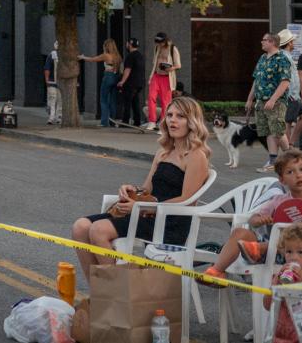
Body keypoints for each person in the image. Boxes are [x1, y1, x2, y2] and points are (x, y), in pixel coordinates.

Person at [70, 95, 212, 283]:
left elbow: (188, 201)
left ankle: (117, 295)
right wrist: (131, 190)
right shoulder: (163, 152)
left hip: (169, 222)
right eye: (169, 115)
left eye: (180, 116)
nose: (172, 120)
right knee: (80, 227)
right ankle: (100, 294)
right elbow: (147, 189)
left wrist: (145, 208)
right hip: (146, 214)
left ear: (192, 122)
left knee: (98, 230)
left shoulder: (196, 156)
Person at [203, 150, 302, 280]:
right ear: (282, 180)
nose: (298, 175)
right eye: (290, 172)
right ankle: (216, 272)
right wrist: (260, 220)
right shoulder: (278, 200)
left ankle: (260, 249)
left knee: (301, 235)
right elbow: (252, 220)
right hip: (267, 253)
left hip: (298, 256)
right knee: (240, 232)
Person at [245, 30, 294, 171]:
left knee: (278, 131)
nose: (262, 42)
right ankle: (273, 160)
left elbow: (285, 82)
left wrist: (273, 99)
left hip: (276, 102)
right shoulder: (262, 58)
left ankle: (291, 157)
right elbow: (257, 80)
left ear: (272, 42)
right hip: (261, 101)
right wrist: (250, 99)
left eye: (264, 40)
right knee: (268, 131)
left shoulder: (282, 59)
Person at [80, 38, 122, 129]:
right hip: (116, 77)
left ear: (106, 46)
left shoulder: (106, 55)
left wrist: (83, 57)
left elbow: (92, 59)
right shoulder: (118, 56)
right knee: (112, 100)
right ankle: (112, 122)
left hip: (108, 76)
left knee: (103, 99)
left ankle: (104, 122)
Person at [144, 32, 181, 132]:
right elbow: (154, 63)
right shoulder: (157, 48)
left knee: (166, 102)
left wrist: (171, 68)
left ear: (165, 41)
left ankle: (162, 124)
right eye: (157, 42)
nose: (159, 44)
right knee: (151, 97)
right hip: (156, 75)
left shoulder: (173, 49)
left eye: (160, 42)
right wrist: (151, 77)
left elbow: (178, 65)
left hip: (166, 77)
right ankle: (152, 121)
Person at [118, 38, 147, 129]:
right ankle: (137, 121)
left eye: (127, 43)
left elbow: (127, 70)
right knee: (135, 102)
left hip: (131, 83)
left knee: (127, 102)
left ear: (130, 44)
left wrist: (122, 81)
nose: (126, 45)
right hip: (140, 83)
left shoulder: (130, 56)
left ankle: (125, 122)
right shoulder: (140, 56)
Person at [44, 44, 61, 125]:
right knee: (56, 99)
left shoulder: (51, 55)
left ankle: (54, 117)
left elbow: (47, 69)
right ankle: (54, 117)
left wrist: (47, 80)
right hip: (54, 82)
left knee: (56, 99)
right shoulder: (52, 55)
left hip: (54, 82)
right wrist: (47, 80)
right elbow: (47, 69)